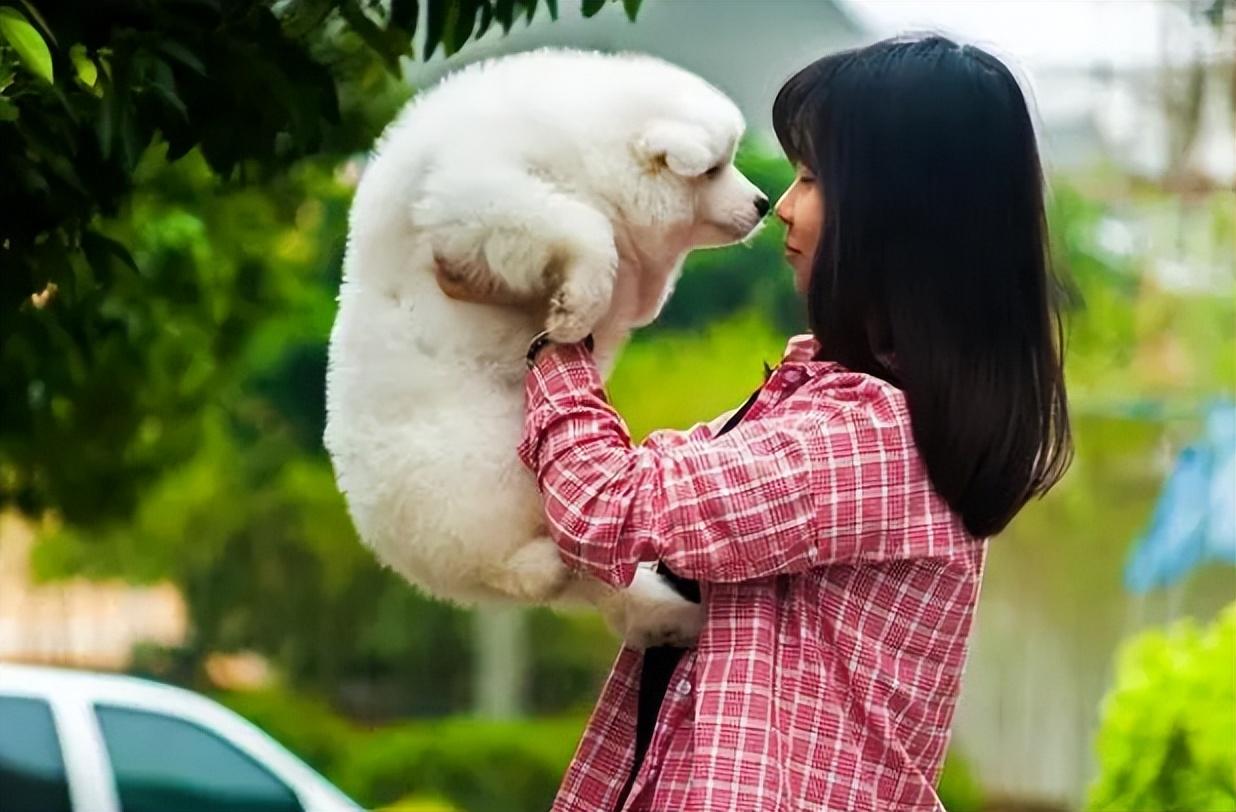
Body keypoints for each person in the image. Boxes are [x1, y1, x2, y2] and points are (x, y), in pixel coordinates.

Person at [450, 34, 1072, 812]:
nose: (783, 203)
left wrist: (553, 335)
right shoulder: (832, 409)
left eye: (813, 178)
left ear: (899, 220)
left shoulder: (863, 441)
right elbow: (660, 479)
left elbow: (609, 507)